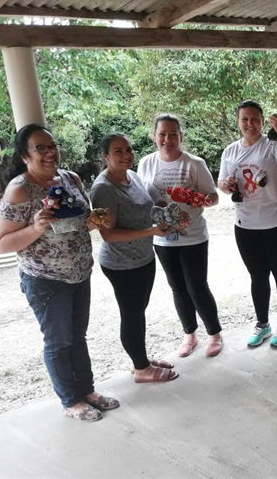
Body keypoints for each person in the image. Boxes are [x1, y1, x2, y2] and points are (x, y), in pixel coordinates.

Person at [0, 123, 119, 422]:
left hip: (80, 273)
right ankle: (70, 400)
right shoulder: (20, 189)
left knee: (78, 337)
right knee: (58, 341)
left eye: (53, 146)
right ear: (25, 156)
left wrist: (94, 222)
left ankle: (87, 391)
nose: (50, 153)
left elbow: (77, 223)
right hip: (46, 280)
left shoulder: (70, 178)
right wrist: (36, 227)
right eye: (41, 148)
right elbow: (2, 243)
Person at [91, 133, 179, 383]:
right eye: (118, 151)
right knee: (131, 314)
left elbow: (145, 210)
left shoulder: (134, 176)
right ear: (105, 156)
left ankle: (141, 359)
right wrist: (151, 231)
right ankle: (141, 369)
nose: (127, 155)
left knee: (138, 312)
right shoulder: (104, 189)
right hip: (121, 264)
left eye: (128, 150)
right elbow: (108, 235)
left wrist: (162, 216)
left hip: (143, 258)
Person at [137, 114, 223, 358]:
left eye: (173, 134)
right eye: (162, 134)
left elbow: (213, 197)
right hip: (162, 238)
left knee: (197, 287)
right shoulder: (146, 163)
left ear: (181, 137)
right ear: (154, 136)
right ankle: (190, 334)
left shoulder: (194, 163)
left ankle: (215, 333)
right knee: (177, 288)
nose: (167, 139)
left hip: (193, 236)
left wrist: (206, 200)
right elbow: (144, 199)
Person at [217, 100, 277, 348]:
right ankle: (262, 324)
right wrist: (227, 184)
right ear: (238, 121)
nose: (250, 123)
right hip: (245, 225)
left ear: (263, 121)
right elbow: (220, 183)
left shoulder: (272, 144)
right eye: (245, 119)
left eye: (255, 119)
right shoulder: (230, 151)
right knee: (257, 276)